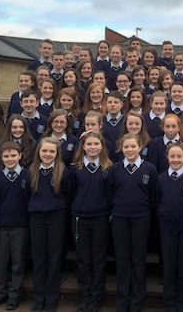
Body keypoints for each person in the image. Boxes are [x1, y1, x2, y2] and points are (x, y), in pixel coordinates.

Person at [106, 133, 158, 312]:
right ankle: (122, 302)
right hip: (120, 218)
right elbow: (110, 193)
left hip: (141, 218)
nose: (130, 150)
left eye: (133, 147)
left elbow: (153, 196)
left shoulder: (149, 169)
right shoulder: (115, 169)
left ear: (140, 148)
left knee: (137, 260)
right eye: (126, 147)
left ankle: (137, 302)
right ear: (121, 148)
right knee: (122, 260)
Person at [28, 137, 72, 312]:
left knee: (54, 259)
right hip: (36, 218)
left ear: (57, 153)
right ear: (38, 152)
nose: (47, 154)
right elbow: (27, 195)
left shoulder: (63, 172)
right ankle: (39, 299)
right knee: (39, 259)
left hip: (56, 217)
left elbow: (68, 193)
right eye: (44, 151)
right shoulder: (31, 171)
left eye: (51, 151)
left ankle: (51, 300)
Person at [71, 131, 112, 312]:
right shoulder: (75, 168)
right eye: (89, 144)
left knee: (98, 259)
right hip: (80, 218)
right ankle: (85, 296)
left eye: (96, 144)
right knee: (83, 260)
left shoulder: (108, 168)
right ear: (83, 146)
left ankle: (96, 297)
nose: (93, 147)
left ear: (102, 146)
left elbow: (111, 194)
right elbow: (70, 191)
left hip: (101, 218)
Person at [0, 141, 31, 311]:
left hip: (20, 227)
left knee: (18, 263)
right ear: (1, 158)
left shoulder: (27, 176)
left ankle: (14, 296)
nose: (10, 159)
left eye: (13, 155)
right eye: (6, 156)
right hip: (1, 228)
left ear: (20, 156)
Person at [156, 142, 183, 312]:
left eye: (179, 156)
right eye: (172, 156)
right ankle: (169, 301)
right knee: (169, 263)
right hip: (166, 227)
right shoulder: (161, 178)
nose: (176, 159)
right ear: (167, 157)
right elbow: (157, 201)